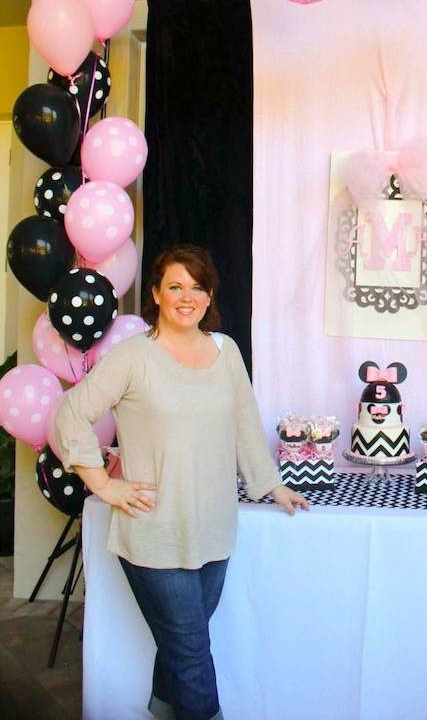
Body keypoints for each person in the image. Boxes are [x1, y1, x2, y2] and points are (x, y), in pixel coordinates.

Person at [54, 243, 308, 720]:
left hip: (214, 528)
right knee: (191, 652)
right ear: (156, 294)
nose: (186, 296)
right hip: (153, 533)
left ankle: (160, 708)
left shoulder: (226, 350)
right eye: (175, 286)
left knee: (182, 643)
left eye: (197, 287)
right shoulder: (133, 357)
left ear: (209, 297)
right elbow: (69, 412)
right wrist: (104, 485)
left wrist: (271, 484)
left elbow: (244, 422)